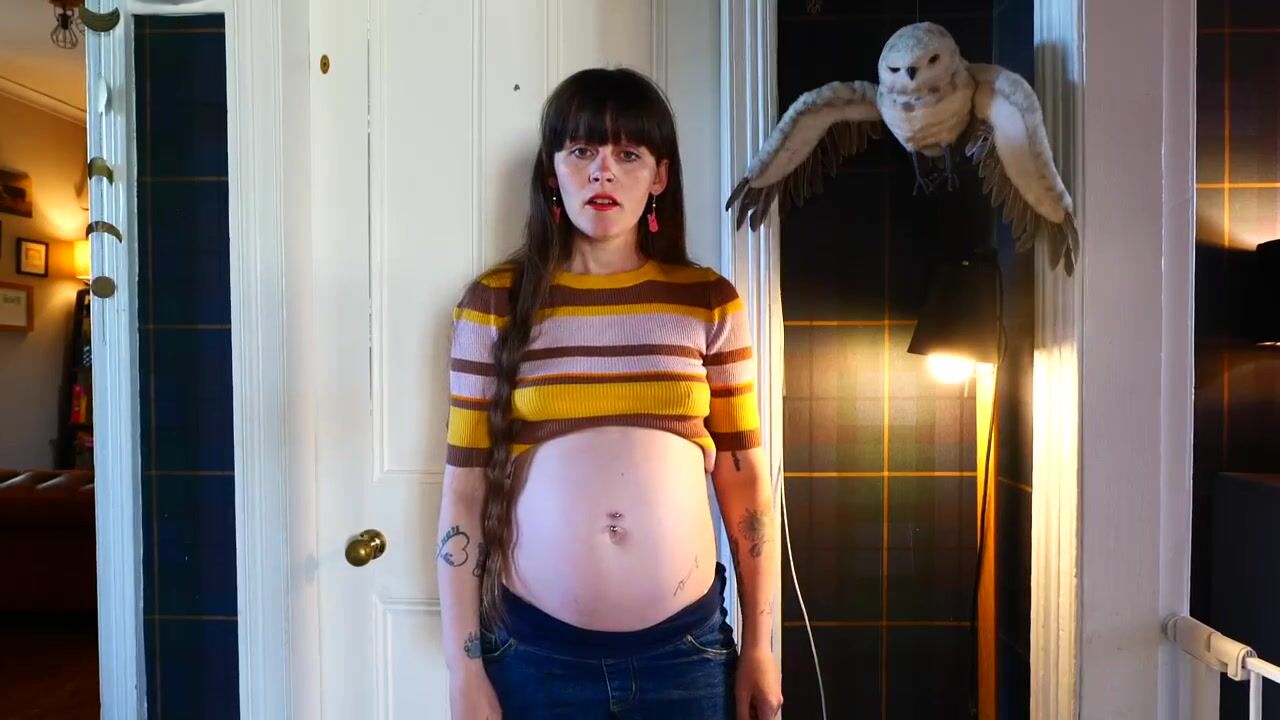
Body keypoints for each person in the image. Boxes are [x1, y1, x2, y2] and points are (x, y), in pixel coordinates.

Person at [438, 66, 783, 720]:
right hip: (534, 656)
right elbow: (465, 490)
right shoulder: (493, 305)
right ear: (552, 172)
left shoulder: (708, 301)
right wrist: (464, 670)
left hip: (684, 656)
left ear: (659, 177)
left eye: (628, 154)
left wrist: (761, 647)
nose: (602, 172)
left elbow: (746, 485)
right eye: (581, 151)